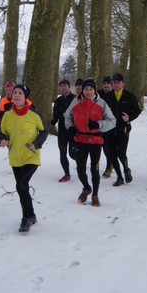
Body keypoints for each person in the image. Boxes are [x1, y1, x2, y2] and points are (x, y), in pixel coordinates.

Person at [0, 84, 48, 232]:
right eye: (14, 93)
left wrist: (37, 144)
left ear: (25, 97)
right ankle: (31, 214)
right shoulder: (7, 115)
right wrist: (1, 141)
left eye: (20, 93)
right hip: (15, 157)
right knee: (22, 188)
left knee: (21, 185)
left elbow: (44, 131)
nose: (16, 95)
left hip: (31, 157)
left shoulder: (34, 114)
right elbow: (2, 133)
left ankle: (26, 219)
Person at [64, 79, 115, 207]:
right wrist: (70, 126)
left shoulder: (101, 103)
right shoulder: (75, 102)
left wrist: (98, 124)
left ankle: (95, 194)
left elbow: (112, 121)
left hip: (96, 140)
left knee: (94, 169)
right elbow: (67, 116)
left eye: (91, 89)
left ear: (94, 90)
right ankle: (86, 188)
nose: (88, 92)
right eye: (86, 89)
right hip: (80, 139)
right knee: (80, 169)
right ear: (82, 90)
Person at [103, 73, 142, 187]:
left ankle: (126, 170)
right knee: (111, 154)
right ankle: (119, 177)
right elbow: (101, 111)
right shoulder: (107, 97)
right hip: (110, 130)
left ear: (123, 83)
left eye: (118, 82)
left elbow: (138, 110)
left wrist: (129, 117)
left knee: (121, 153)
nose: (116, 84)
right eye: (114, 82)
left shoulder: (129, 96)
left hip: (123, 129)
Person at [51, 79, 76, 182]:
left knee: (72, 153)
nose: (63, 88)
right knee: (62, 152)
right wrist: (54, 120)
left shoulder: (75, 99)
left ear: (69, 87)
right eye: (61, 86)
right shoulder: (58, 101)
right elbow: (56, 113)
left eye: (65, 86)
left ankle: (80, 162)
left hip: (73, 130)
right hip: (62, 131)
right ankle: (67, 174)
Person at [97, 76, 113, 178]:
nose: (106, 85)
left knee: (108, 148)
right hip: (98, 124)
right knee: (99, 147)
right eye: (104, 83)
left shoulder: (113, 95)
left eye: (108, 83)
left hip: (109, 125)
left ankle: (109, 166)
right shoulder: (98, 94)